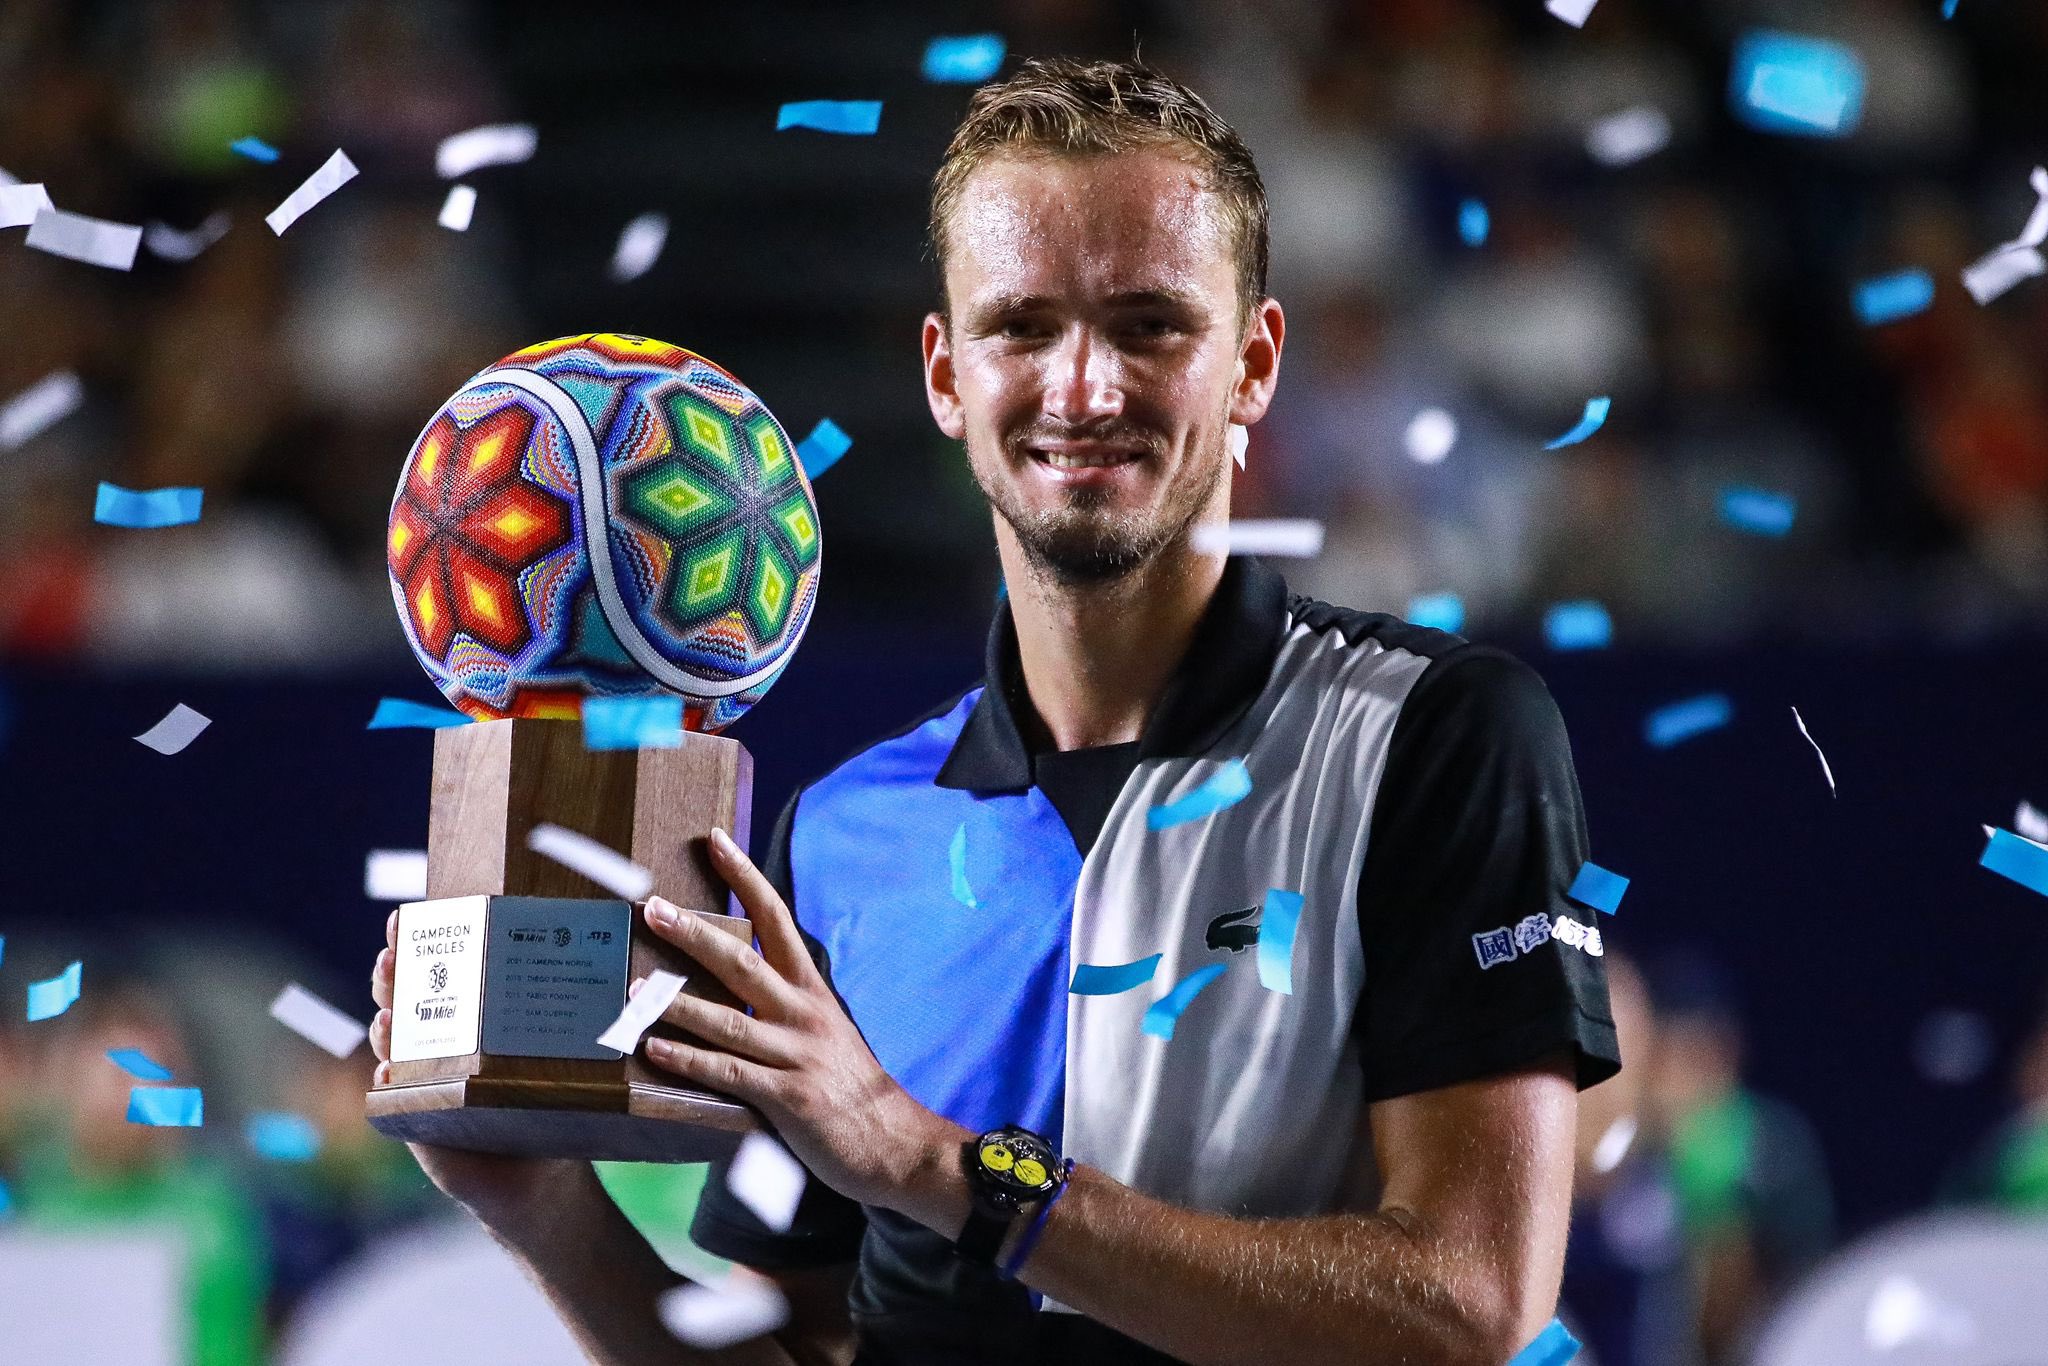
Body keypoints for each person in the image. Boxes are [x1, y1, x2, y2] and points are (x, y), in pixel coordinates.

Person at [368, 57, 1618, 1365]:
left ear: (1252, 364)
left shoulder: (1439, 735)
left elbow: (1471, 1303)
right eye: (1023, 326)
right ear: (946, 374)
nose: (1084, 388)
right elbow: (797, 1350)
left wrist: (932, 1162)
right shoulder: (843, 835)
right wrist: (546, 1207)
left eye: (1150, 325)